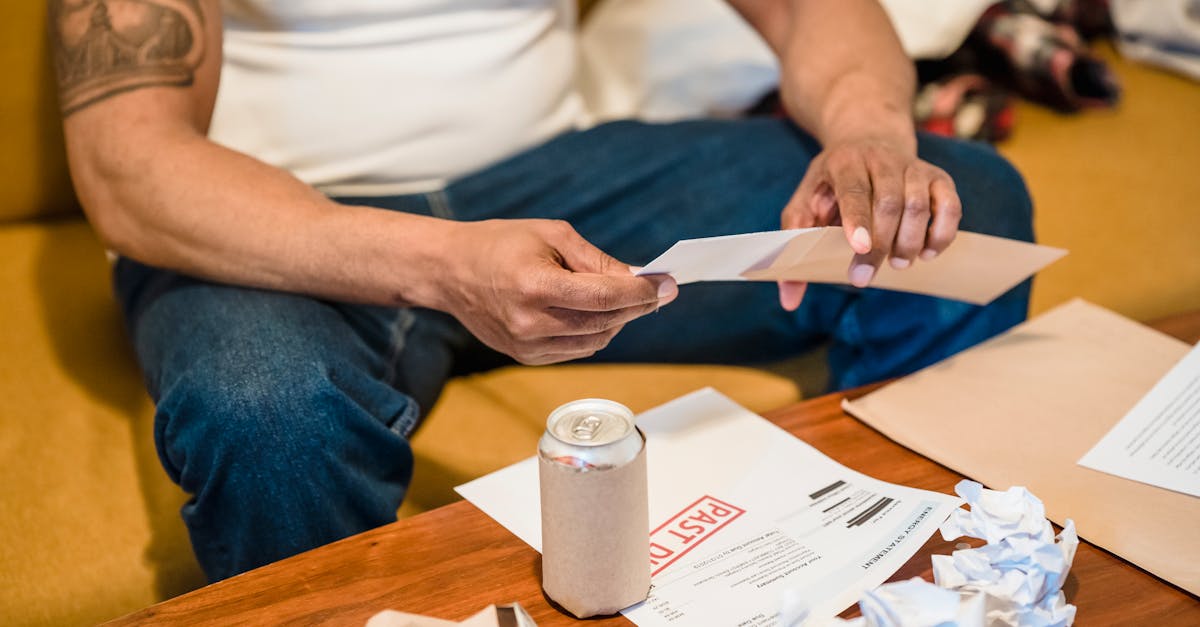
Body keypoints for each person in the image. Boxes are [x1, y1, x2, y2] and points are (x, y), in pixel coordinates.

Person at [51, 0, 1034, 582]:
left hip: (549, 179)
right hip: (279, 222)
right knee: (268, 413)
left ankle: (901, 578)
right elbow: (129, 165)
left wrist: (867, 136)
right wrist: (444, 264)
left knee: (953, 215)